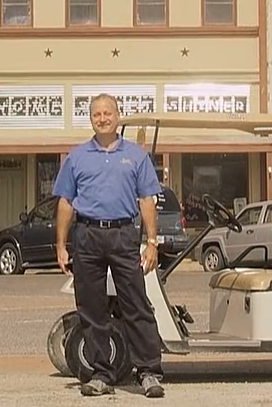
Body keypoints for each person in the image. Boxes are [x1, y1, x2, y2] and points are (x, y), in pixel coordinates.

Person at [54, 93, 166, 398]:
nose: (102, 118)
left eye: (108, 113)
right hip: (87, 237)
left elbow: (147, 201)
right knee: (91, 308)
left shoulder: (137, 155)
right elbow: (65, 202)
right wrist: (61, 245)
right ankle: (101, 373)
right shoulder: (77, 157)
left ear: (118, 116)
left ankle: (149, 372)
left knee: (136, 304)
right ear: (90, 119)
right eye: (96, 115)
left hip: (123, 236)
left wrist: (152, 242)